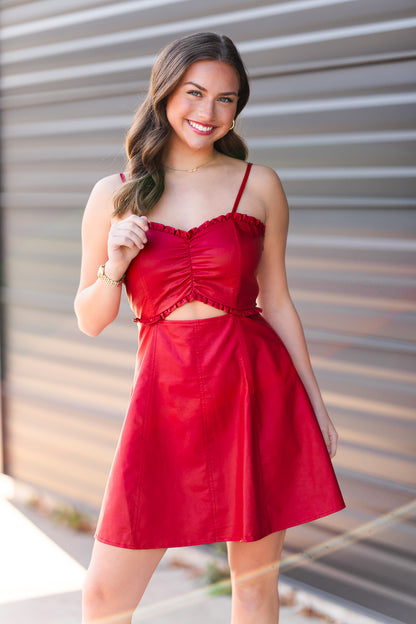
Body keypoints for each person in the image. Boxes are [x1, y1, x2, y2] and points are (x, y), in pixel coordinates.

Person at [75, 31, 345, 624]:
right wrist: (114, 267)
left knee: (252, 588)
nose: (208, 112)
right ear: (165, 92)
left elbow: (276, 301)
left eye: (226, 99)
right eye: (195, 93)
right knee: (103, 598)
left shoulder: (260, 184)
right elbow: (92, 319)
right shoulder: (114, 195)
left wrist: (316, 403)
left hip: (254, 389)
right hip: (163, 397)